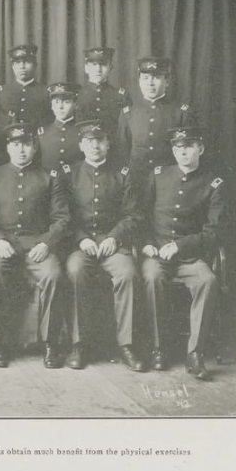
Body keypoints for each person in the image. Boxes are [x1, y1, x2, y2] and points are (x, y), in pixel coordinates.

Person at [0, 122, 70, 369]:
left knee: (53, 274)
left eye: (26, 145)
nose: (21, 150)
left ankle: (49, 342)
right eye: (15, 144)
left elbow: (61, 218)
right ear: (8, 147)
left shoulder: (49, 176)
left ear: (34, 147)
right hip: (2, 243)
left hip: (36, 245)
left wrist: (46, 242)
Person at [141, 127, 226, 381]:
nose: (183, 152)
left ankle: (195, 352)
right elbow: (140, 216)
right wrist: (145, 242)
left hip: (190, 256)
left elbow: (213, 232)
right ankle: (158, 348)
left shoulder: (214, 184)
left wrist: (181, 245)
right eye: (178, 148)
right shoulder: (158, 176)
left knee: (207, 281)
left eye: (188, 146)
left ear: (200, 148)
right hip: (156, 253)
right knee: (152, 277)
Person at [64, 119, 144, 371]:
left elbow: (133, 215)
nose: (95, 146)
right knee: (76, 271)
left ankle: (126, 345)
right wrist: (82, 238)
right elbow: (62, 216)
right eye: (89, 141)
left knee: (128, 274)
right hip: (81, 244)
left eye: (100, 141)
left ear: (108, 144)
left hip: (113, 243)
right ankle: (78, 343)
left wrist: (114, 237)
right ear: (81, 145)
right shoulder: (70, 173)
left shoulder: (123, 173)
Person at [117, 57, 194, 172]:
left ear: (167, 81)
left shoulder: (180, 112)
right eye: (145, 78)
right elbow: (123, 149)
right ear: (139, 81)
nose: (150, 83)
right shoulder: (128, 113)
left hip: (168, 179)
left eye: (156, 78)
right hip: (137, 178)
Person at [76, 47, 131, 135]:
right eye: (94, 64)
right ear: (86, 68)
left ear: (110, 67)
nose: (98, 69)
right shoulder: (77, 94)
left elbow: (127, 128)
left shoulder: (120, 96)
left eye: (103, 64)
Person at [0, 44, 52, 126]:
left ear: (35, 65)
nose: (22, 66)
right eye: (18, 63)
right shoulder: (1, 92)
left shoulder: (46, 92)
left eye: (27, 62)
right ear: (13, 67)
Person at [37, 82, 83, 171]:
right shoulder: (42, 132)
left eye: (66, 102)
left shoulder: (82, 131)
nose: (61, 107)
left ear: (75, 105)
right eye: (56, 102)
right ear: (51, 106)